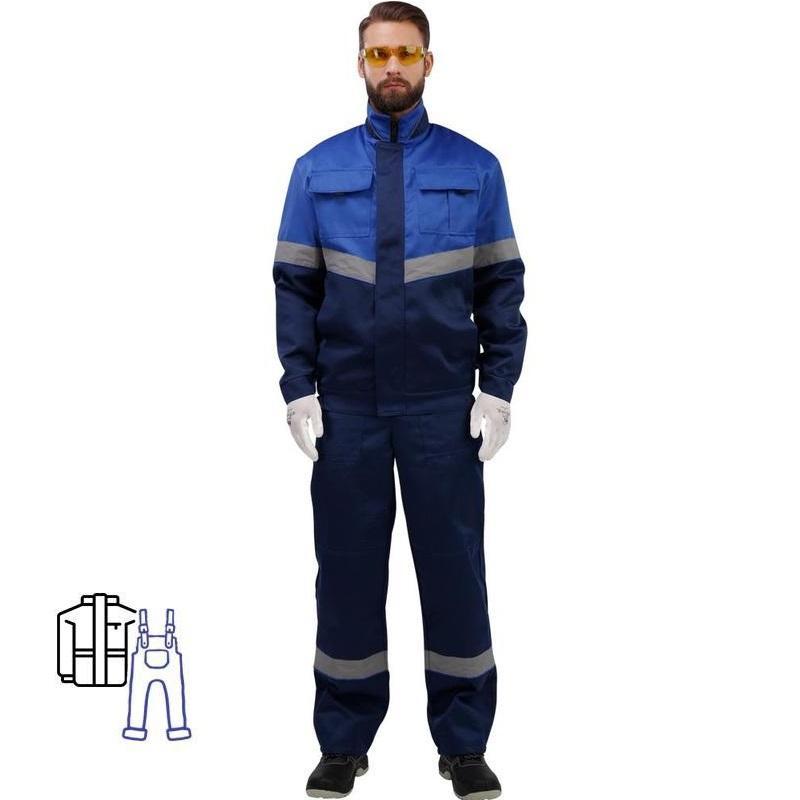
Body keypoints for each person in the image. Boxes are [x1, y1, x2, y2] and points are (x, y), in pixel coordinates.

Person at [272, 3, 527, 798]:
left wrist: (498, 389)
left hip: (441, 407)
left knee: (455, 571)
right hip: (346, 407)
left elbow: (501, 285)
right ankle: (343, 742)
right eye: (378, 53)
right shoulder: (315, 170)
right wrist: (299, 387)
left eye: (405, 53)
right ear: (360, 63)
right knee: (346, 573)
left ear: (427, 63)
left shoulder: (476, 168)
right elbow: (294, 286)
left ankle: (464, 745)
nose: (392, 66)